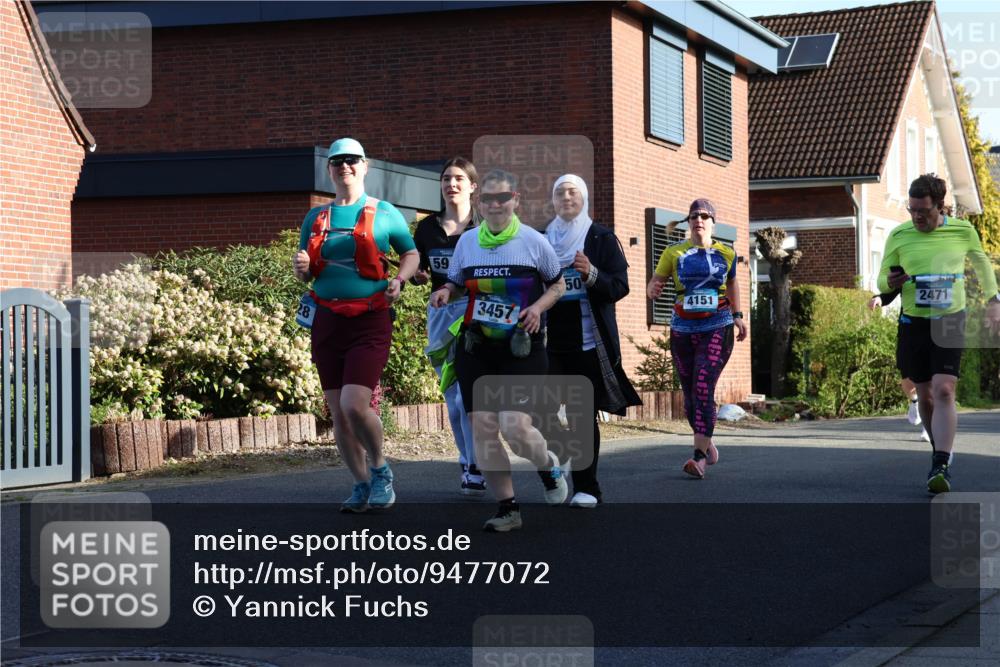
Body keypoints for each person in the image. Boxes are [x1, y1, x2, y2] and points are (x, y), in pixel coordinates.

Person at [429, 169, 566, 532]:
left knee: (515, 427)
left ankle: (547, 465)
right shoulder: (468, 242)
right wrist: (446, 293)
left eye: (501, 198)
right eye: (487, 199)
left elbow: (559, 285)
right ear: (480, 203)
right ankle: (508, 507)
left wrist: (537, 308)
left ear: (515, 200)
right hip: (477, 346)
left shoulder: (533, 241)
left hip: (521, 347)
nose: (494, 205)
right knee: (483, 426)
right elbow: (457, 284)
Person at [293, 138, 419, 512]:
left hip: (370, 318)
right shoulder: (315, 218)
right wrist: (301, 270)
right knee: (338, 414)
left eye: (352, 160)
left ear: (365, 167)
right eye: (337, 162)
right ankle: (361, 484)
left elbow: (410, 253)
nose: (344, 166)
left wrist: (400, 280)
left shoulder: (385, 212)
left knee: (354, 404)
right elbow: (305, 272)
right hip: (327, 319)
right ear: (329, 170)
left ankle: (380, 469)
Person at [877, 173, 1000, 494]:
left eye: (923, 211)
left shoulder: (962, 230)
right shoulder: (900, 234)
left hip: (950, 318)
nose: (916, 216)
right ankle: (939, 450)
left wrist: (993, 300)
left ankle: (941, 462)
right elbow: (882, 277)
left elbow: (982, 264)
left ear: (939, 206)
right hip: (914, 322)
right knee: (925, 395)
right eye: (912, 210)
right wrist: (889, 283)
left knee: (944, 390)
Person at [542, 174, 640, 507]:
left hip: (588, 341)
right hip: (547, 341)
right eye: (559, 193)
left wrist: (591, 273)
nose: (566, 197)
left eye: (573, 192)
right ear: (553, 201)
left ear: (584, 199)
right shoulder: (542, 238)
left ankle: (587, 487)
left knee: (582, 416)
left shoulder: (600, 237)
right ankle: (562, 452)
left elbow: (620, 286)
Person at [646, 198, 748, 479]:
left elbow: (732, 283)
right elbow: (656, 282)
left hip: (717, 325)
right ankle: (706, 439)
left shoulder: (726, 253)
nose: (699, 220)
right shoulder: (673, 252)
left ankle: (698, 457)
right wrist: (652, 289)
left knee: (703, 387)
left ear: (713, 223)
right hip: (682, 328)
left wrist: (738, 314)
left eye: (705, 216)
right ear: (688, 222)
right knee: (691, 396)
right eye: (694, 216)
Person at [412, 157, 485, 496]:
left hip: (478, 313)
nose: (451, 184)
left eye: (459, 178)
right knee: (453, 396)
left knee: (472, 393)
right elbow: (418, 266)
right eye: (446, 179)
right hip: (440, 314)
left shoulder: (485, 225)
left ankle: (476, 462)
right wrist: (418, 275)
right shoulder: (426, 228)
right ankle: (468, 460)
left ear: (472, 186)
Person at [867, 290, 930, 441]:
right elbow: (893, 289)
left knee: (930, 380)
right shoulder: (909, 269)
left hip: (935, 329)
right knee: (907, 377)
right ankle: (915, 401)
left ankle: (928, 428)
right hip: (908, 329)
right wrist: (880, 298)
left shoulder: (941, 270)